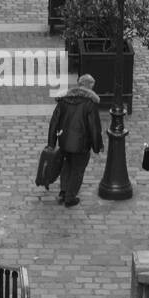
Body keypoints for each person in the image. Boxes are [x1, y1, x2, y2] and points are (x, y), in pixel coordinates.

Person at [47, 74, 104, 206]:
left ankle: (63, 192)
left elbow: (54, 122)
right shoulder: (90, 104)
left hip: (64, 142)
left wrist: (51, 143)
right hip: (81, 144)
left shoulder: (64, 101)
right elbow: (94, 128)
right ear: (90, 87)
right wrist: (97, 146)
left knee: (66, 166)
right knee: (78, 169)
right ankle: (70, 197)